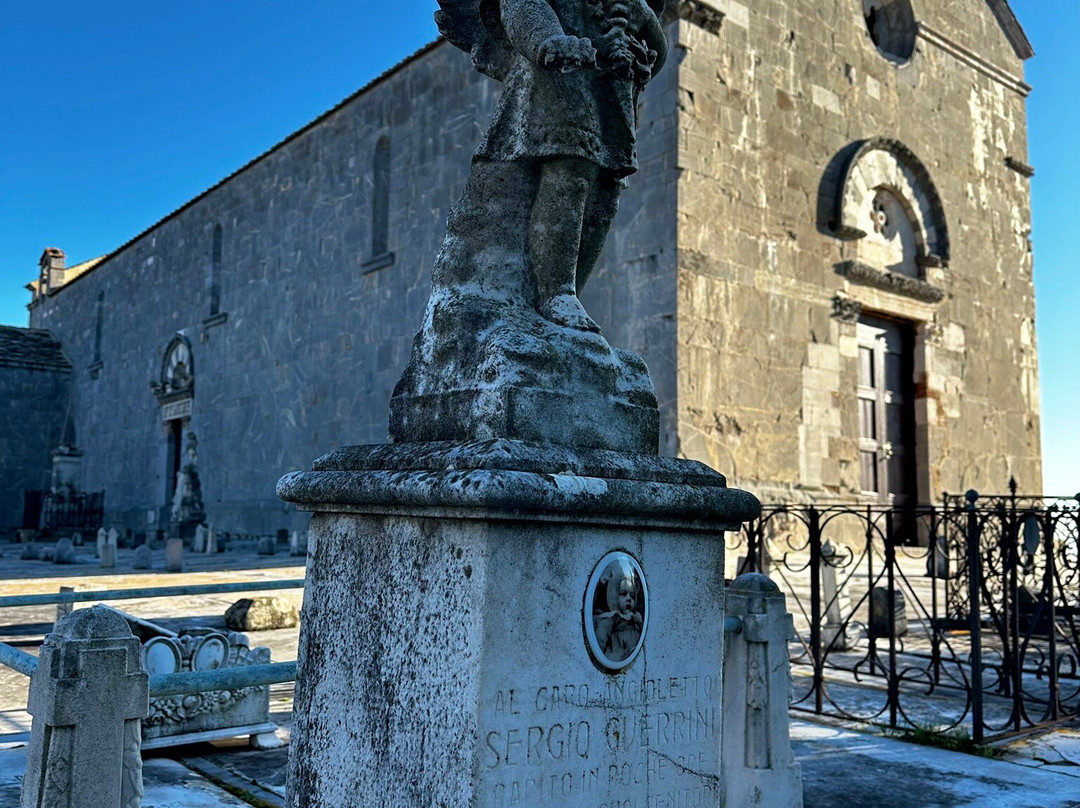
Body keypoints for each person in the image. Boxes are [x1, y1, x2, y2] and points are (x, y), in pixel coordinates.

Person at [439, 0, 668, 332]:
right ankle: (557, 293)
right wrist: (547, 42)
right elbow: (522, 5)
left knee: (606, 194)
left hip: (611, 91)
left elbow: (654, 45)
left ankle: (573, 291)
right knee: (570, 172)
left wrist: (642, 38)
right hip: (556, 79)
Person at [594, 565, 644, 661]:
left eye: (632, 596)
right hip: (617, 657)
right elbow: (601, 636)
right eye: (623, 594)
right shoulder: (613, 618)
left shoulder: (635, 618)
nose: (629, 599)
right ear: (615, 597)